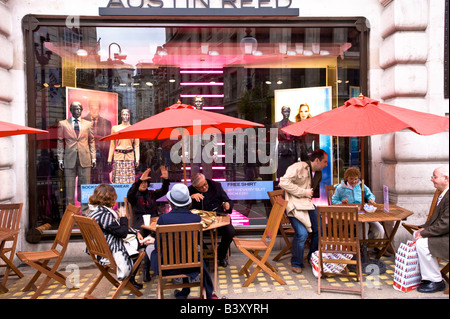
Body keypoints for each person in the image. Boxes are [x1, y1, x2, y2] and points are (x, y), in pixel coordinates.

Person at [147, 183, 217, 299]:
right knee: (188, 250)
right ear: (188, 202)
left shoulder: (163, 219)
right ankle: (185, 290)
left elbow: (158, 245)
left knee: (150, 248)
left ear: (170, 202)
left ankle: (183, 290)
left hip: (166, 265)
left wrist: (152, 240)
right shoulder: (196, 218)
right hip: (192, 264)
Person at [87, 184, 148, 289]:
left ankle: (131, 279)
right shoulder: (104, 215)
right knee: (141, 244)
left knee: (137, 240)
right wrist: (123, 218)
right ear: (110, 198)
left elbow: (115, 228)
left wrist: (135, 231)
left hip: (100, 249)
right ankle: (130, 279)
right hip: (110, 251)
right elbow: (122, 233)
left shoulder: (95, 212)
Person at [279, 149, 328, 274]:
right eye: (324, 162)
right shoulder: (298, 167)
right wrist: (303, 192)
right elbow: (283, 182)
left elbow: (310, 192)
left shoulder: (318, 173)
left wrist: (306, 194)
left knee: (320, 229)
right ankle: (296, 262)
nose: (326, 165)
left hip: (307, 205)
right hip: (293, 206)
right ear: (316, 160)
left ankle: (312, 257)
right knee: (302, 234)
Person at [126, 166, 170, 281]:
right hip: (139, 224)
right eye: (142, 182)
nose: (144, 184)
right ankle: (146, 270)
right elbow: (131, 192)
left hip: (153, 223)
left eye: (146, 182)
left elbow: (163, 191)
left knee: (160, 233)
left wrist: (165, 180)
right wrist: (139, 181)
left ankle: (163, 263)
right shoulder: (133, 196)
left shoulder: (151, 194)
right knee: (145, 236)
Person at [414, 165, 449, 293]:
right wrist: (422, 230)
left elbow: (445, 224)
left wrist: (425, 233)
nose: (432, 179)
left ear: (446, 179)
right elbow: (437, 220)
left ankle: (436, 281)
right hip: (444, 234)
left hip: (447, 237)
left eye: (435, 177)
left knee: (422, 244)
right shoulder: (443, 193)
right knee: (416, 235)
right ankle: (426, 276)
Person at [189, 173, 235, 267]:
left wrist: (228, 205)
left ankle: (221, 255)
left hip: (217, 217)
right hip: (200, 219)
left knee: (230, 231)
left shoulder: (216, 186)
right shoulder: (190, 190)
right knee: (191, 232)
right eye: (200, 188)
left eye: (205, 184)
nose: (204, 188)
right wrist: (190, 198)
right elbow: (182, 207)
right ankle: (205, 253)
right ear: (195, 187)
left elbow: (228, 200)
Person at [57, 101, 96, 214]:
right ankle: (70, 213)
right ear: (71, 110)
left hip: (85, 158)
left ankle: (85, 212)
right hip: (69, 159)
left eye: (79, 109)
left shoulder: (88, 124)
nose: (78, 111)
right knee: (69, 188)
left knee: (85, 187)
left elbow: (91, 141)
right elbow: (60, 141)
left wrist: (93, 157)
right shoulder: (63, 124)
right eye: (75, 109)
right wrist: (60, 158)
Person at [332, 167, 385, 247]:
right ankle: (363, 248)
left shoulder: (361, 186)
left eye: (356, 179)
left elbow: (370, 194)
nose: (354, 181)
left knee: (379, 228)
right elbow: (334, 200)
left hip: (365, 212)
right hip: (350, 215)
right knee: (364, 225)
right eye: (351, 179)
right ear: (347, 178)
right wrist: (341, 202)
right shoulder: (340, 188)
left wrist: (371, 199)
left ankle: (378, 247)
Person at [83, 98, 112, 184]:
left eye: (96, 109)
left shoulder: (106, 123)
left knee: (102, 180)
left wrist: (109, 160)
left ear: (99, 109)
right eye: (92, 108)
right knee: (88, 179)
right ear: (89, 108)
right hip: (86, 156)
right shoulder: (83, 121)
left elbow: (108, 142)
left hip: (102, 157)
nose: (94, 111)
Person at [108, 108, 140, 183]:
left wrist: (137, 158)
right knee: (118, 180)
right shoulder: (115, 128)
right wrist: (109, 158)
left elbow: (137, 145)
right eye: (124, 114)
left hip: (130, 156)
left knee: (130, 180)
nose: (125, 116)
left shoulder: (134, 128)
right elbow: (112, 144)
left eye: (127, 114)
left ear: (129, 116)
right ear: (121, 116)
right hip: (118, 156)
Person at [272, 105, 298, 178]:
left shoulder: (294, 125)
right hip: (281, 153)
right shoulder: (276, 125)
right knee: (281, 174)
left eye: (288, 111)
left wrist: (298, 156)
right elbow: (273, 142)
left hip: (291, 153)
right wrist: (271, 156)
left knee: (292, 175)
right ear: (281, 112)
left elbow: (296, 142)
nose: (286, 113)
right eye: (285, 111)